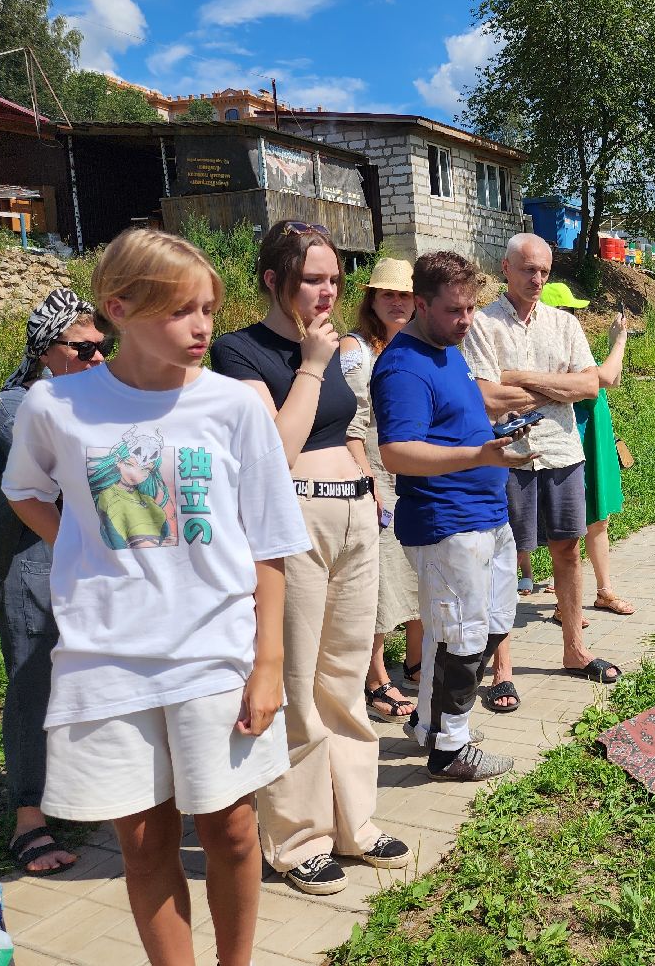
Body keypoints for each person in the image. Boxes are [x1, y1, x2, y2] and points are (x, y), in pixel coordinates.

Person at [1, 228, 312, 966]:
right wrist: (80, 548)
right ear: (118, 306)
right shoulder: (57, 404)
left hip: (216, 648)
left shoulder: (234, 406)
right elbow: (24, 490)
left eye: (208, 307)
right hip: (105, 655)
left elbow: (271, 541)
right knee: (144, 840)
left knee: (231, 828)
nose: (203, 326)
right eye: (181, 311)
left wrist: (267, 664)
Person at [211, 221, 407, 896]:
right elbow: (274, 451)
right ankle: (297, 839)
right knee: (295, 678)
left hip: (353, 513)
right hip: (290, 518)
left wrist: (368, 484)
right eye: (312, 279)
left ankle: (355, 821)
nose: (327, 292)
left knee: (346, 675)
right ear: (273, 280)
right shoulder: (238, 352)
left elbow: (343, 426)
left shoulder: (331, 343)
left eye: (333, 280)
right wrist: (315, 365)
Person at [371, 250, 536, 781]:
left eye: (471, 309)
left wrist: (498, 430)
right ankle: (448, 750)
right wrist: (482, 456)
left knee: (486, 627)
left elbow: (457, 418)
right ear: (421, 304)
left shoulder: (448, 350)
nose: (466, 321)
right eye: (454, 311)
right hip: (446, 523)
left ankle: (435, 722)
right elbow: (397, 452)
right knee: (460, 635)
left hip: (485, 513)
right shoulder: (402, 367)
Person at [462, 234, 621, 712]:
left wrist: (522, 379)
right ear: (506, 268)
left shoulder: (564, 323)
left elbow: (590, 384)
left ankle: (574, 649)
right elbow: (489, 397)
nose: (536, 280)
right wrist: (558, 389)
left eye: (545, 272)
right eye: (528, 270)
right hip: (508, 454)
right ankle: (502, 669)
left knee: (568, 550)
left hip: (561, 451)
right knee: (504, 559)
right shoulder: (482, 324)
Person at [0, 288, 108, 875]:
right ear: (46, 351)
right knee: (34, 684)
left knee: (91, 676)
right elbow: (64, 469)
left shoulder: (93, 400)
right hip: (33, 566)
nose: (98, 360)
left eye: (103, 349)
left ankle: (84, 789)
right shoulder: (15, 407)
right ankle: (27, 820)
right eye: (84, 350)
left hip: (91, 567)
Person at [339, 257, 424, 721]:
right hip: (372, 471)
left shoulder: (412, 345)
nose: (397, 301)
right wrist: (364, 479)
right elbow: (348, 422)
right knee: (379, 575)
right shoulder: (357, 348)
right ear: (371, 299)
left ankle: (414, 660)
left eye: (405, 294)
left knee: (414, 567)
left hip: (411, 471)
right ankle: (375, 678)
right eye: (387, 293)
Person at [537, 281, 634, 626]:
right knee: (569, 528)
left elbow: (613, 379)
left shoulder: (572, 347)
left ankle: (604, 590)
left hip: (595, 439)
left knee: (598, 518)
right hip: (572, 442)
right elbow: (605, 378)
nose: (573, 318)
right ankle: (566, 604)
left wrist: (611, 343)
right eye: (566, 312)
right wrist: (620, 343)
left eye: (574, 312)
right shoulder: (551, 357)